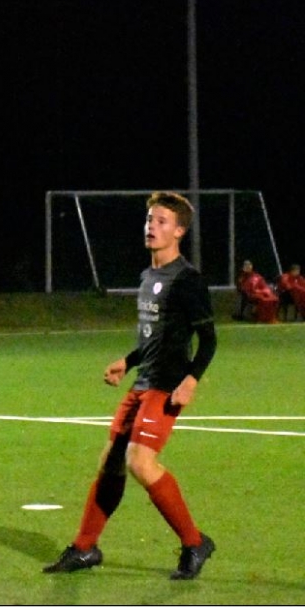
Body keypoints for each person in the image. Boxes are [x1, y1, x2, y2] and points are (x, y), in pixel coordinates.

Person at [43, 191, 218, 580]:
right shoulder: (148, 277)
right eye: (150, 219)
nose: (151, 227)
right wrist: (128, 361)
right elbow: (155, 338)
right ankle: (85, 548)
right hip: (143, 381)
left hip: (167, 385)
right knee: (111, 462)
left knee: (140, 462)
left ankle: (195, 543)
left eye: (161, 221)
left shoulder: (188, 280)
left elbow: (209, 340)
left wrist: (191, 380)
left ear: (179, 231)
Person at [236, 259, 279, 323]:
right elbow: (241, 287)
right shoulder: (241, 277)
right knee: (262, 299)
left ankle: (271, 318)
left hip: (261, 292)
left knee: (273, 298)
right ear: (243, 267)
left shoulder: (257, 276)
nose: (248, 267)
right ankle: (262, 318)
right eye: (246, 265)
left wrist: (265, 291)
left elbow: (264, 285)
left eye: (249, 265)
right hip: (250, 294)